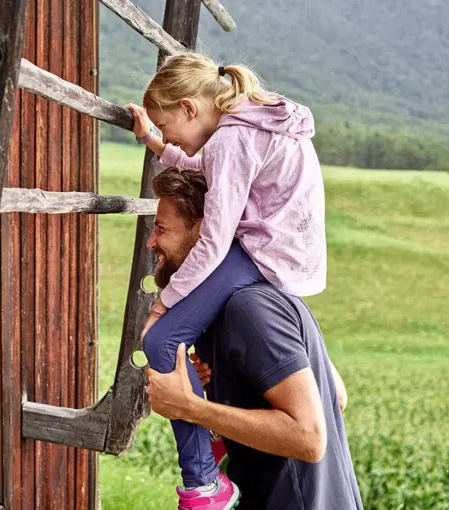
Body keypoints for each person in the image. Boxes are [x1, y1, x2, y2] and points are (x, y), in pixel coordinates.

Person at [123, 53, 327, 505]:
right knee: (171, 341)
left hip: (262, 255)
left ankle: (205, 484)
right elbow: (205, 166)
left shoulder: (233, 139)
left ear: (190, 108)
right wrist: (157, 142)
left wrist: (164, 302)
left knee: (158, 340)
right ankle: (210, 443)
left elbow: (213, 244)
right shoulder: (248, 126)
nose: (173, 136)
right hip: (281, 255)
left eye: (170, 126)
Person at [145, 167, 362, 509]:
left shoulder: (249, 308)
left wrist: (192, 408)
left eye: (161, 229)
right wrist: (221, 398)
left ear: (204, 233)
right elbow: (334, 393)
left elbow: (309, 436)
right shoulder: (236, 304)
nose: (151, 242)